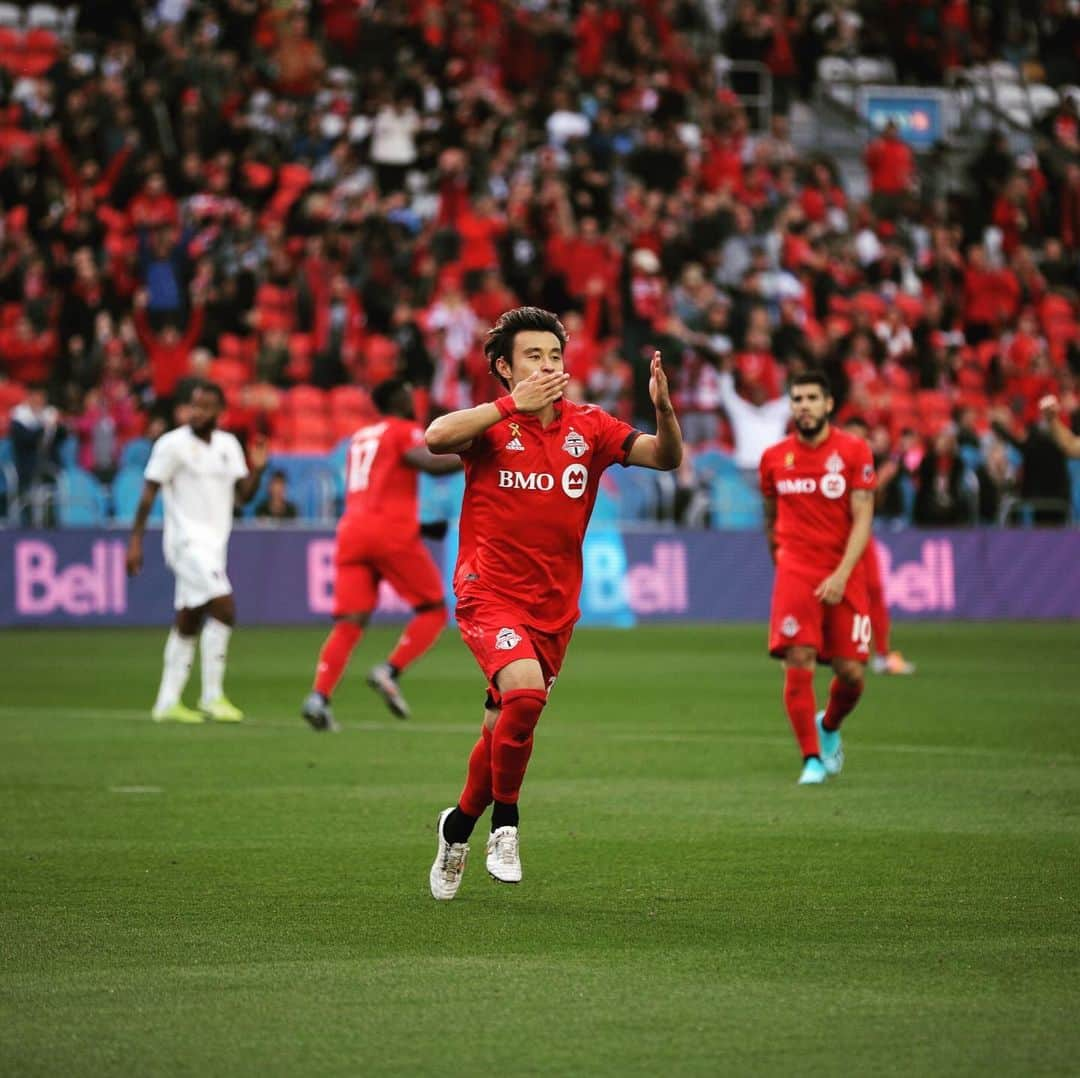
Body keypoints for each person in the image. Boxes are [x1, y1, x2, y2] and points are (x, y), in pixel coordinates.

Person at [423, 306, 683, 900]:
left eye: (556, 356)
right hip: (487, 593)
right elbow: (436, 436)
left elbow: (665, 458)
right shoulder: (490, 424)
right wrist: (512, 404)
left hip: (554, 608)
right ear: (504, 368)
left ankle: (458, 825)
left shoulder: (589, 427)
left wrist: (665, 411)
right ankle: (505, 826)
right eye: (534, 357)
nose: (548, 366)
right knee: (524, 695)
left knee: (500, 730)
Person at [300, 378, 463, 732]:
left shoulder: (360, 437)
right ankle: (390, 670)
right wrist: (474, 453)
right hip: (389, 534)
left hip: (352, 533)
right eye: (408, 395)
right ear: (398, 400)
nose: (414, 401)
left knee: (348, 624)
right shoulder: (402, 429)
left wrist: (418, 525)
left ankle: (319, 696)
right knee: (433, 610)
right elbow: (429, 462)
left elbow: (378, 489)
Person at [759, 371, 876, 785]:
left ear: (828, 404)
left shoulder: (854, 450)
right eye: (797, 399)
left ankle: (829, 727)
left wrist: (843, 574)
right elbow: (770, 517)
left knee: (851, 673)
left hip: (843, 570)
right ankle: (811, 759)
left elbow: (863, 517)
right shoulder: (774, 458)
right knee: (799, 657)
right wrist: (782, 561)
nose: (803, 405)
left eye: (811, 398)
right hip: (795, 571)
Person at [126, 381, 267, 723]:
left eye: (205, 407)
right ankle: (212, 696)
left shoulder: (228, 445)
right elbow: (148, 494)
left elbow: (241, 499)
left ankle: (167, 702)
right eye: (193, 406)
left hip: (215, 545)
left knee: (189, 619)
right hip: (185, 543)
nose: (197, 412)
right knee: (224, 607)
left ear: (220, 411)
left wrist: (259, 468)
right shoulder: (172, 445)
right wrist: (135, 541)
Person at [843, 418, 915, 676]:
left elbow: (872, 492)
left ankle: (882, 654)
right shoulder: (831, 465)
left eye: (863, 437)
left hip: (861, 535)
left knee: (873, 591)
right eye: (853, 436)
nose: (858, 442)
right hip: (832, 537)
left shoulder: (864, 463)